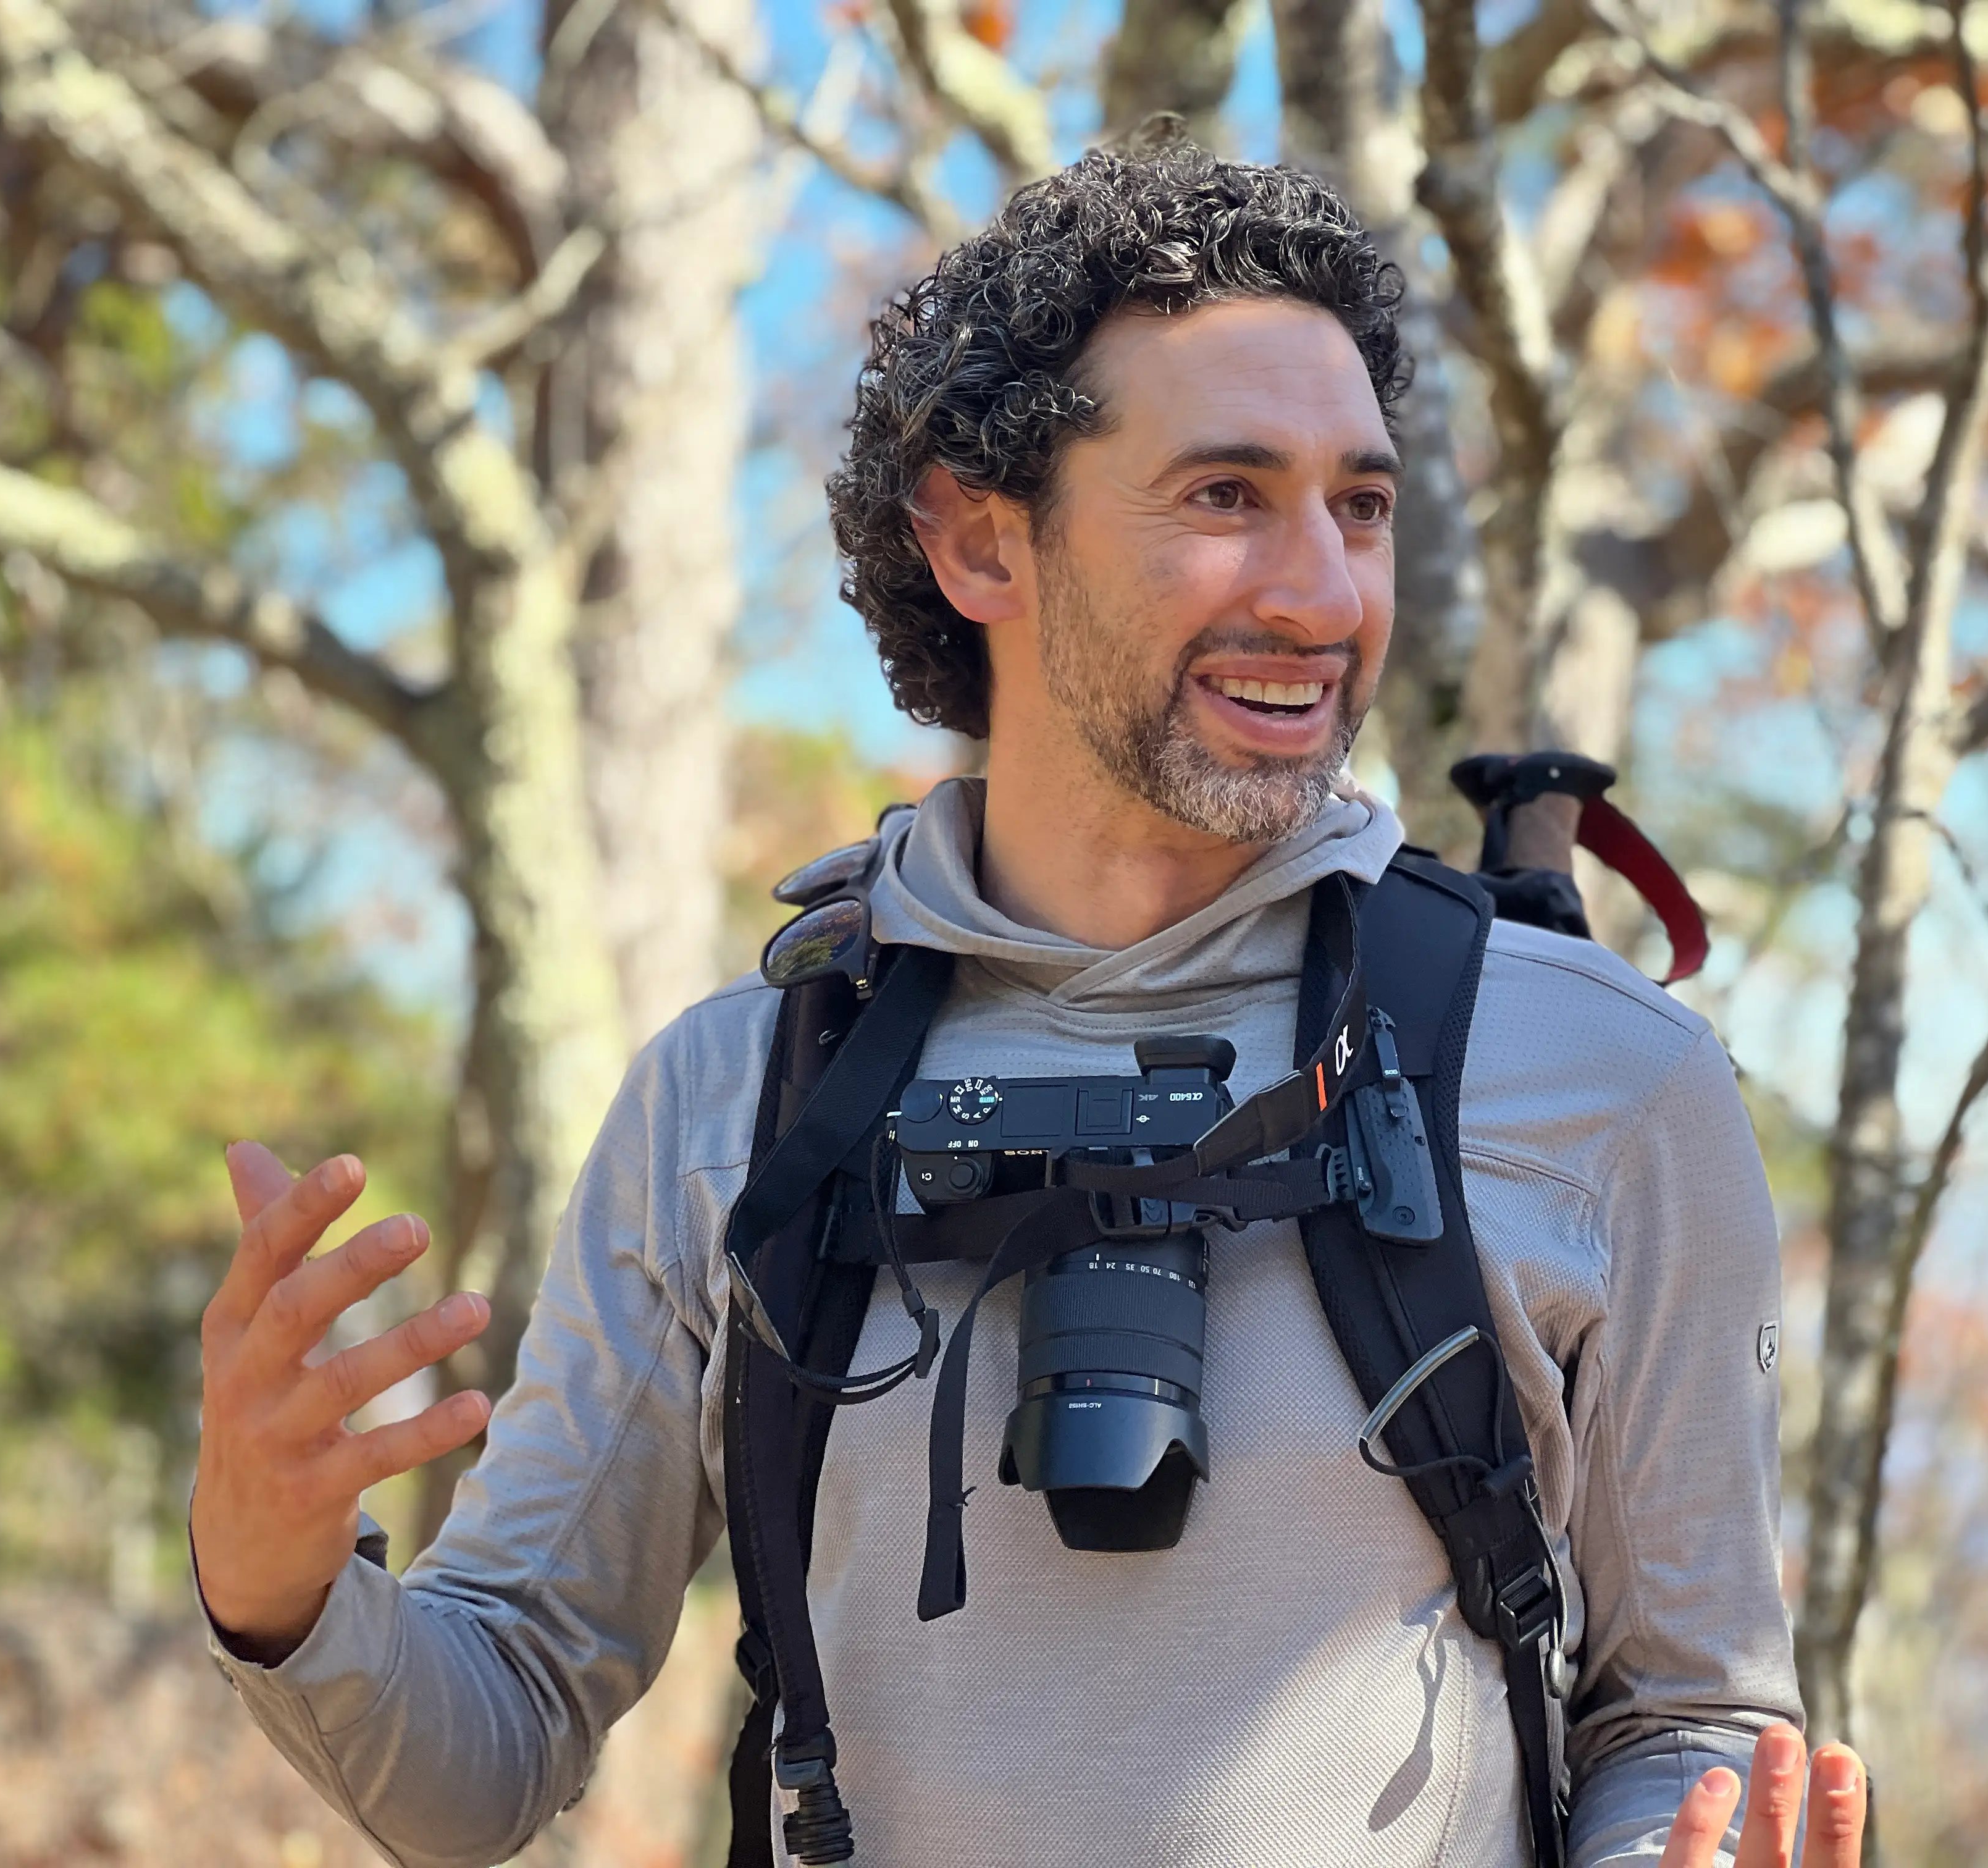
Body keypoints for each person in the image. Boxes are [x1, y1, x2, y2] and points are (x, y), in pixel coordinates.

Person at [190, 141, 1865, 1868]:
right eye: (1226, 495)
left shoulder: (1609, 1081)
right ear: (982, 540)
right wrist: (278, 1587)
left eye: (1359, 507)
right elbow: (487, 1747)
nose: (1321, 593)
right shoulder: (737, 1106)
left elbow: (1690, 1719)